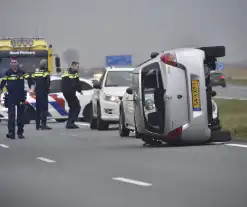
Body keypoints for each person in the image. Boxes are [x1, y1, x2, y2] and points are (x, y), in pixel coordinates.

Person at [0, 57, 35, 139]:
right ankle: (11, 133)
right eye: (12, 62)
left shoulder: (22, 72)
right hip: (11, 97)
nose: (13, 64)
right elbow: (1, 86)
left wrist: (31, 89)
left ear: (17, 63)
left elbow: (31, 81)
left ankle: (20, 133)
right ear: (10, 63)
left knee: (20, 116)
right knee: (11, 116)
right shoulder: (7, 73)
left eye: (15, 62)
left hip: (20, 96)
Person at [30, 59, 52, 130]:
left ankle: (37, 125)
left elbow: (32, 80)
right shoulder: (46, 72)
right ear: (45, 65)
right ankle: (44, 125)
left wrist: (33, 89)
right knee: (44, 109)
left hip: (38, 93)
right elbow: (47, 83)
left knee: (38, 109)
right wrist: (48, 89)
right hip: (43, 93)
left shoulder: (36, 72)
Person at [61, 61, 82, 129]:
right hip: (70, 93)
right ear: (73, 66)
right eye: (77, 67)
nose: (78, 68)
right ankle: (70, 123)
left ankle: (69, 123)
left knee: (72, 107)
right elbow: (75, 83)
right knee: (77, 107)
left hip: (66, 92)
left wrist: (79, 90)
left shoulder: (66, 72)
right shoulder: (72, 73)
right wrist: (79, 90)